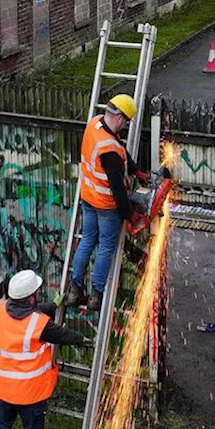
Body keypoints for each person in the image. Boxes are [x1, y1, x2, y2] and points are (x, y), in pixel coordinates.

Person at [64, 94, 143, 312]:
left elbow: (119, 146)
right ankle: (96, 295)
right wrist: (130, 215)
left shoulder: (95, 124)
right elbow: (118, 190)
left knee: (87, 240)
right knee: (106, 247)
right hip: (106, 205)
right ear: (120, 118)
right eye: (126, 121)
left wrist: (136, 170)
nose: (126, 125)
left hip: (88, 198)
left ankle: (74, 288)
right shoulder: (110, 153)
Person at [0, 270, 89, 429]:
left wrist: (53, 305)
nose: (38, 296)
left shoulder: (0, 310)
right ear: (30, 299)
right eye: (36, 294)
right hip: (29, 394)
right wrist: (82, 339)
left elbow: (28, 311)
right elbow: (62, 335)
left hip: (3, 391)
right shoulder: (39, 325)